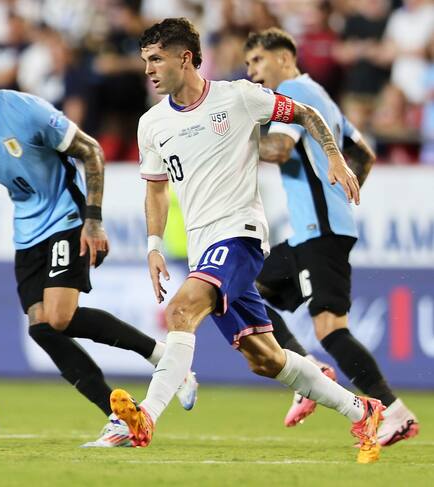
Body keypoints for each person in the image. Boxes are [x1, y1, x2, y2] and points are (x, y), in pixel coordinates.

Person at [108, 18, 382, 464]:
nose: (148, 70)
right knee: (266, 359)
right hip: (202, 246)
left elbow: (306, 114)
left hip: (239, 234)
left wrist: (334, 157)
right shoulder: (151, 123)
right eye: (145, 61)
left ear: (185, 57)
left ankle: (145, 418)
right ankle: (362, 409)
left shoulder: (238, 97)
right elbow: (155, 188)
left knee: (180, 310)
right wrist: (153, 245)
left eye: (155, 59)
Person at [0, 52, 198, 448]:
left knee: (56, 317)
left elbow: (90, 150)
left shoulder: (25, 112)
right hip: (27, 231)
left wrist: (93, 219)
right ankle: (125, 406)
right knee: (42, 328)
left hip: (68, 216)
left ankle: (159, 366)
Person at [244, 28, 419, 446]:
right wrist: (342, 190)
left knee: (330, 328)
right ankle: (308, 370)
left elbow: (279, 150)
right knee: (249, 283)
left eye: (257, 62)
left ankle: (393, 413)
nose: (252, 73)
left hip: (319, 230)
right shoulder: (320, 94)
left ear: (284, 58)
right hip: (317, 230)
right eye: (249, 64)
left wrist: (232, 140)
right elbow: (363, 154)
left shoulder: (290, 90)